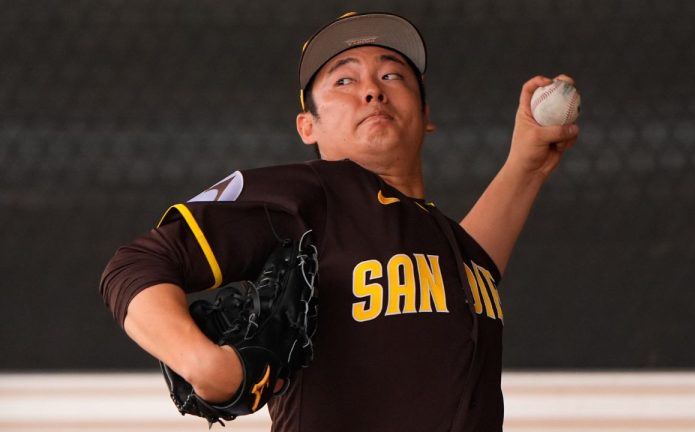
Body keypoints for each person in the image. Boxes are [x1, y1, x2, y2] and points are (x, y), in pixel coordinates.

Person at [100, 12, 578, 432]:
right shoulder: (310, 195)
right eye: (344, 82)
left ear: (426, 115)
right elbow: (136, 264)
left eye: (393, 76)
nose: (372, 89)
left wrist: (526, 166)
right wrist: (201, 361)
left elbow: (472, 268)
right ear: (308, 126)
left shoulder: (444, 242)